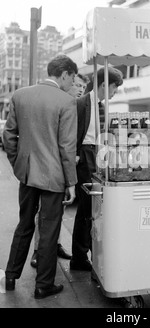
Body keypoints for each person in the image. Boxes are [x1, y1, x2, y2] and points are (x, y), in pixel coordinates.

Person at [3, 54, 78, 299]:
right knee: (48, 231)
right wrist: (72, 183)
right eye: (72, 78)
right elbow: (67, 148)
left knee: (24, 224)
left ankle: (11, 276)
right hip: (53, 178)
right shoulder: (66, 102)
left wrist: (18, 165)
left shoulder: (20, 95)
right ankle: (43, 285)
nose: (72, 83)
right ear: (65, 74)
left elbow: (8, 136)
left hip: (27, 174)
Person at [30, 72, 90, 269]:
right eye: (78, 84)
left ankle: (54, 246)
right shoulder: (61, 104)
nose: (80, 89)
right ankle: (39, 251)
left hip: (68, 165)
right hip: (51, 166)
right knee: (45, 211)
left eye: (83, 86)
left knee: (60, 209)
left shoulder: (77, 106)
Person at [70, 66, 123, 271]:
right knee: (87, 206)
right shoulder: (81, 103)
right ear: (103, 85)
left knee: (95, 207)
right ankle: (79, 257)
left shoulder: (103, 106)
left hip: (99, 154)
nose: (115, 91)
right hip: (85, 154)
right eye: (114, 87)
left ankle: (87, 252)